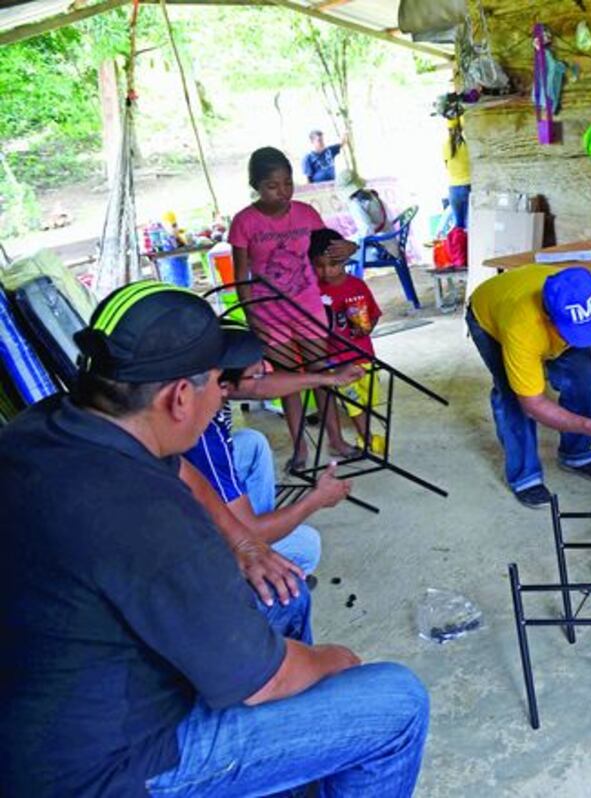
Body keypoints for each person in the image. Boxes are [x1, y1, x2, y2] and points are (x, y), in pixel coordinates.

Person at [0, 281, 429, 797]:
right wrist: (336, 662)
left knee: (286, 592)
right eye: (220, 384)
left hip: (55, 706)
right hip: (111, 770)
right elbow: (265, 682)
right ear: (180, 396)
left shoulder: (49, 425)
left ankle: (291, 771)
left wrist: (245, 545)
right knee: (395, 701)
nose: (225, 395)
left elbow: (179, 470)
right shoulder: (150, 518)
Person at [466, 265, 591, 508]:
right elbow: (533, 404)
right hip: (489, 315)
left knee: (585, 376)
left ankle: (576, 454)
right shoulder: (522, 328)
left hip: (531, 300)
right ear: (551, 321)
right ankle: (525, 476)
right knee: (512, 397)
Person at [230, 146, 361, 473]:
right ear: (256, 186)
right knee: (290, 382)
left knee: (323, 374)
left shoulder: (306, 214)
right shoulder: (244, 223)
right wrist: (252, 317)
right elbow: (240, 276)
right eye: (272, 186)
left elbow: (330, 250)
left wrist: (350, 247)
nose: (283, 192)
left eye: (288, 183)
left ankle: (336, 440)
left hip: (308, 307)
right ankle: (300, 450)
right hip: (269, 314)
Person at [182, 353, 363, 585]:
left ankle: (266, 530)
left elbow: (260, 386)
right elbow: (246, 536)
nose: (264, 379)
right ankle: (263, 568)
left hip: (194, 498)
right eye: (256, 375)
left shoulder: (210, 385)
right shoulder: (206, 439)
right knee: (307, 545)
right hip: (194, 538)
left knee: (252, 442)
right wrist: (316, 499)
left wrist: (329, 379)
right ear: (225, 386)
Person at [311, 228, 387, 455]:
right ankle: (366, 437)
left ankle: (366, 435)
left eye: (333, 264)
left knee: (368, 399)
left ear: (344, 260)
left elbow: (373, 314)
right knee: (354, 404)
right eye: (320, 266)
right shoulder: (313, 291)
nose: (326, 271)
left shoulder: (357, 286)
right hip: (336, 362)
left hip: (363, 355)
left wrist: (366, 328)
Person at [443, 116, 471, 229]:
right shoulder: (468, 143)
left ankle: (458, 240)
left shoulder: (446, 145)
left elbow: (446, 165)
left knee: (459, 225)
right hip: (469, 186)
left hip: (453, 189)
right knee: (471, 224)